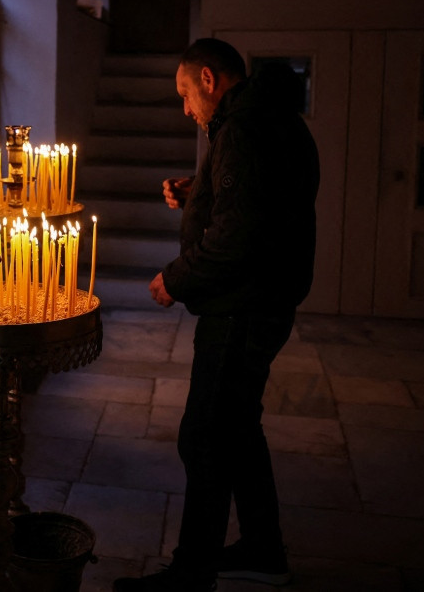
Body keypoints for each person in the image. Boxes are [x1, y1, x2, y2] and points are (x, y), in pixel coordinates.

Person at [114, 38, 319, 592]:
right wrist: (199, 191)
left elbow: (237, 237)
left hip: (242, 308)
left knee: (204, 436)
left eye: (185, 94)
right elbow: (256, 201)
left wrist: (175, 278)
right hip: (265, 300)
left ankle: (192, 571)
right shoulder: (267, 118)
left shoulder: (243, 129)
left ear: (209, 79)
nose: (185, 109)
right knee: (238, 428)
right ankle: (263, 550)